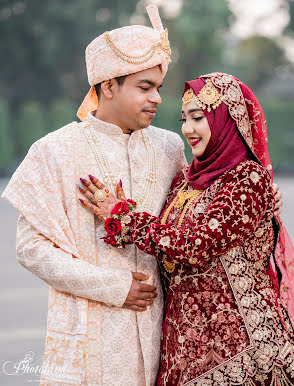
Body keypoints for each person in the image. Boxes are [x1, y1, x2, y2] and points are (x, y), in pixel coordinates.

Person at [1, 5, 188, 385]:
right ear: (108, 86)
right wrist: (113, 287)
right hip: (88, 332)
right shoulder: (54, 151)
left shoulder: (170, 148)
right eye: (144, 87)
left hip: (162, 335)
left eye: (158, 88)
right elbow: (30, 248)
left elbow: (194, 215)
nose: (157, 99)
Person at [79, 72, 294, 386]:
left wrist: (126, 217)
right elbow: (162, 237)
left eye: (198, 117)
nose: (188, 129)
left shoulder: (247, 180)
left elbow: (196, 245)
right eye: (184, 119)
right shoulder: (185, 181)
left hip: (242, 351)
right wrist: (116, 217)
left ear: (227, 120)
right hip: (184, 347)